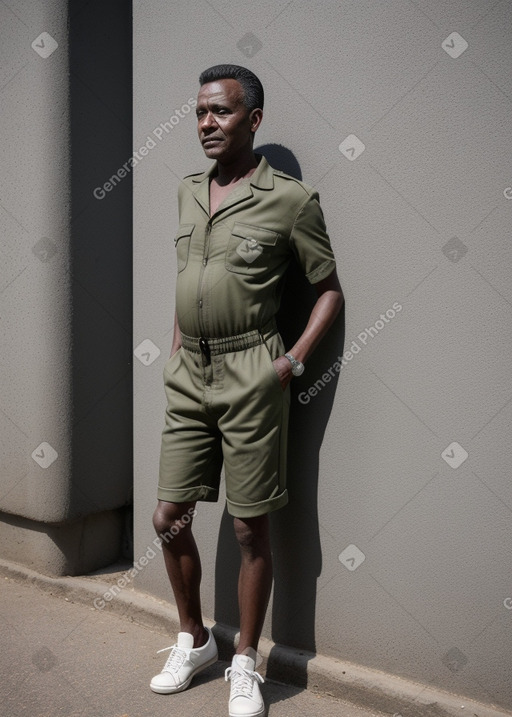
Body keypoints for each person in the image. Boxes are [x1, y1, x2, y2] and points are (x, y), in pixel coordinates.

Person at [150, 64, 343, 717]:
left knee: (248, 526)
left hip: (252, 372)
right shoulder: (186, 191)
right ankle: (195, 637)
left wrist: (289, 362)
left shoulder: (291, 199)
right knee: (166, 518)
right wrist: (177, 351)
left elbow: (328, 291)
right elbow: (187, 278)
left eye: (221, 112)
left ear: (253, 120)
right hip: (189, 375)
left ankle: (244, 664)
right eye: (200, 111)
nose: (206, 123)